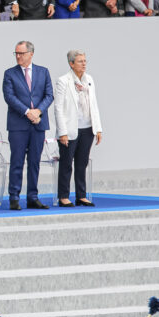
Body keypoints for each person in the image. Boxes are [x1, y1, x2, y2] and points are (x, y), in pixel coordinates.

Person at [2, 41, 53, 211]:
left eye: (21, 53)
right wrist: (27, 112)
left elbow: (49, 95)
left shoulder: (43, 72)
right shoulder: (10, 74)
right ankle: (14, 197)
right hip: (18, 124)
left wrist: (38, 111)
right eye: (16, 53)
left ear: (31, 54)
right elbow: (9, 97)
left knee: (34, 162)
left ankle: (32, 196)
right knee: (17, 161)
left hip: (38, 123)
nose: (18, 56)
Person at [53, 50, 102, 208]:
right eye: (80, 61)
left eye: (85, 61)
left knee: (82, 163)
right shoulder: (63, 81)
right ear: (71, 64)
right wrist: (63, 132)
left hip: (87, 127)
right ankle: (64, 196)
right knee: (66, 164)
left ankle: (81, 195)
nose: (84, 64)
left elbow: (93, 104)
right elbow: (58, 108)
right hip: (70, 129)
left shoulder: (89, 80)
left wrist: (98, 128)